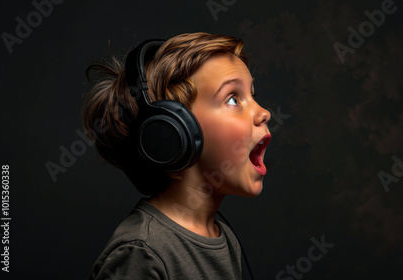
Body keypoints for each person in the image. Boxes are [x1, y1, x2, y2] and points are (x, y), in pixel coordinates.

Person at [83, 32, 271, 279]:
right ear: (174, 131)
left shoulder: (222, 237)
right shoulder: (143, 252)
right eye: (233, 99)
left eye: (252, 95)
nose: (264, 113)